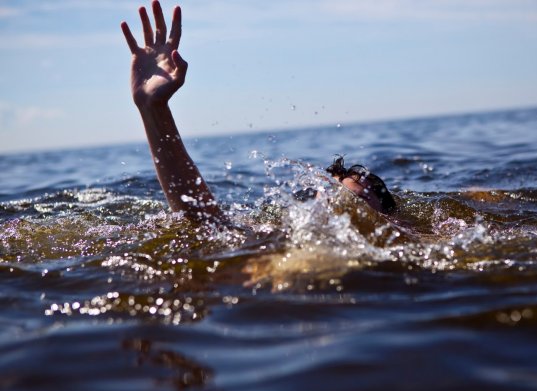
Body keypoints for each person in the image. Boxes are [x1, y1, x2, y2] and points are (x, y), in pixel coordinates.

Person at [121, 1, 395, 226]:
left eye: (355, 199)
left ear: (386, 219)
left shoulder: (399, 244)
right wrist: (153, 109)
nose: (336, 203)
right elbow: (204, 221)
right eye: (330, 196)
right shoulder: (278, 238)